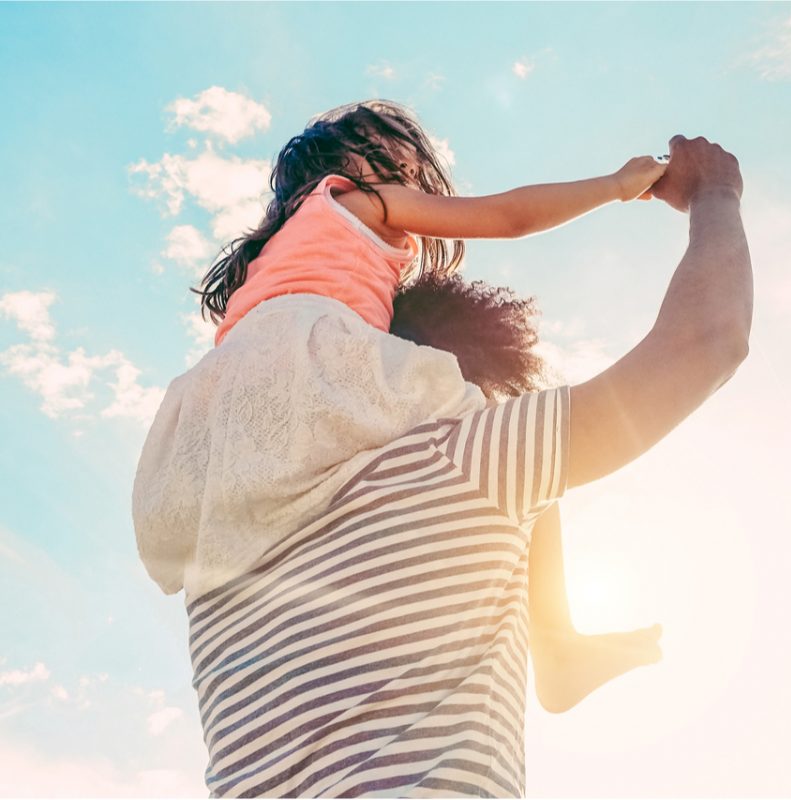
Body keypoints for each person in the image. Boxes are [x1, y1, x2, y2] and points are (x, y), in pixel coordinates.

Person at [134, 99, 750, 796]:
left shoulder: (221, 593)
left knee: (521, 463)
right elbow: (511, 217)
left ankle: (559, 644)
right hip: (314, 377)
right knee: (519, 457)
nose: (416, 191)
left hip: (211, 424)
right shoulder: (358, 206)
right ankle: (559, 642)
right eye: (404, 169)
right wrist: (635, 185)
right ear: (361, 165)